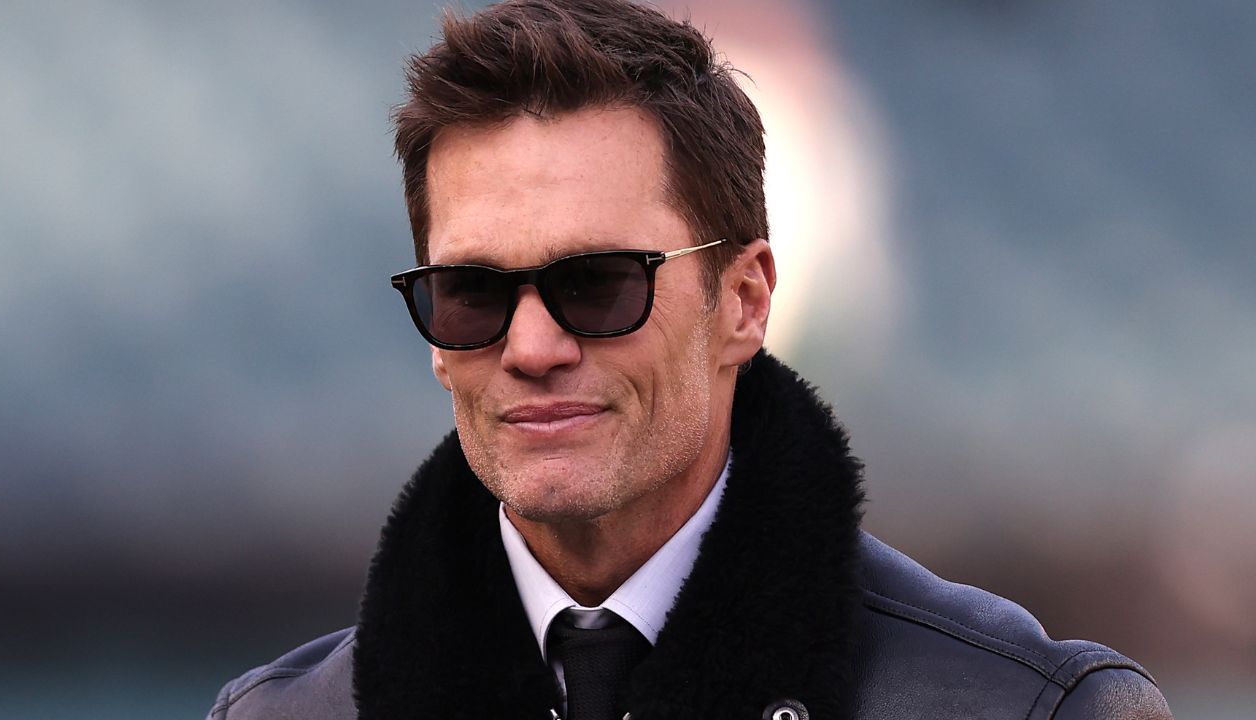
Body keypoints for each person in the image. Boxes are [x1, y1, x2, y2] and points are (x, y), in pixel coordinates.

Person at [208, 1, 1173, 718]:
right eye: (473, 296)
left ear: (745, 303)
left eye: (598, 285)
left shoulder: (1027, 711)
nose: (532, 348)